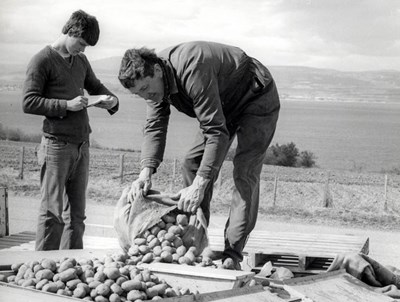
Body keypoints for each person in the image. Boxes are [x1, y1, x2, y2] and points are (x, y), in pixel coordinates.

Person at [118, 41, 279, 269]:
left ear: (155, 71)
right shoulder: (154, 82)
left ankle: (232, 254)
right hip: (223, 102)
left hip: (255, 96)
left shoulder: (193, 67)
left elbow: (215, 132)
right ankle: (195, 242)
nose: (146, 97)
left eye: (145, 89)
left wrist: (200, 185)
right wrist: (145, 173)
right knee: (192, 163)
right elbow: (155, 125)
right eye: (138, 94)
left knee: (245, 173)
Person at [22, 10, 119, 251]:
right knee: (52, 213)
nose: (84, 49)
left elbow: (96, 86)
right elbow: (28, 102)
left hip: (82, 146)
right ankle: (42, 266)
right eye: (82, 43)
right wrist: (67, 105)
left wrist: (111, 101)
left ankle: (70, 268)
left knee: (77, 217)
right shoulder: (41, 60)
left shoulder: (81, 62)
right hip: (55, 147)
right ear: (71, 31)